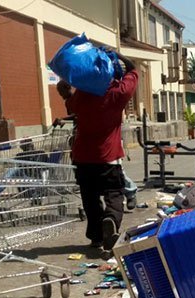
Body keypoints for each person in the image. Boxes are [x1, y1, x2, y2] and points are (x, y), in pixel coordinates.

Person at [62, 52, 138, 255]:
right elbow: (133, 70)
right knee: (114, 193)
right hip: (108, 157)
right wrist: (120, 55)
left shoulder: (82, 94)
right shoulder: (117, 92)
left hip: (82, 157)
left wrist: (67, 93)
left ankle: (96, 236)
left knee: (90, 198)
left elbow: (71, 105)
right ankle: (111, 220)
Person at [54, 80, 138, 211]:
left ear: (68, 88)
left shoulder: (82, 97)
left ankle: (130, 192)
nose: (61, 95)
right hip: (85, 139)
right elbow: (78, 117)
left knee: (114, 169)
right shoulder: (69, 101)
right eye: (59, 93)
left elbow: (84, 114)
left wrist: (64, 119)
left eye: (61, 91)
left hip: (104, 138)